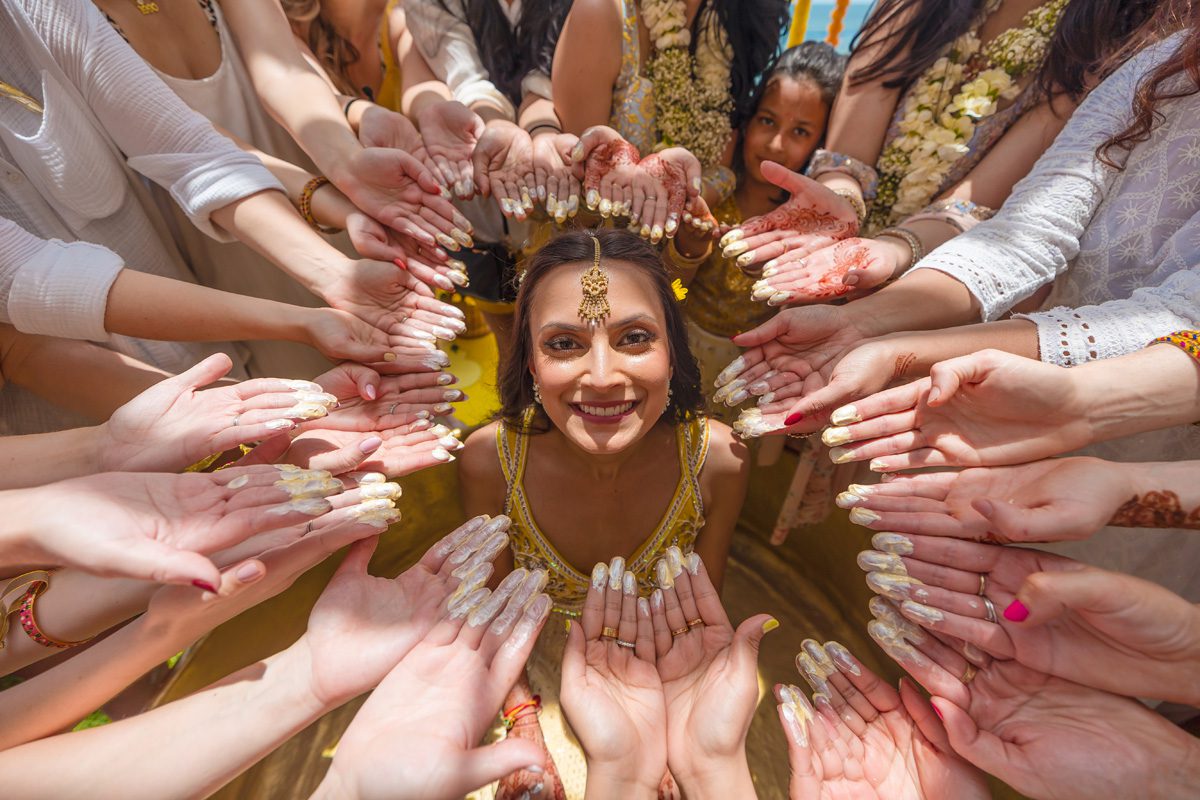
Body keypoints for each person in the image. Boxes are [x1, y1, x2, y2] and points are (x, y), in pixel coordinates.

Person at [459, 228, 749, 798]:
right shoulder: (491, 460)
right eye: (564, 344)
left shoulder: (718, 459)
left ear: (673, 352)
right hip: (532, 665)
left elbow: (701, 610)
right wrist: (519, 722)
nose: (601, 377)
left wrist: (665, 734)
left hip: (662, 674)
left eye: (635, 338)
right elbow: (489, 606)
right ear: (529, 364)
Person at [725, 0, 1166, 300]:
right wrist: (840, 193)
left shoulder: (1102, 40)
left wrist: (894, 252)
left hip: (938, 277)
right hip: (832, 253)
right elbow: (872, 84)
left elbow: (981, 196)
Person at [667, 42, 846, 414]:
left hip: (754, 374)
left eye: (800, 131)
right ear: (746, 121)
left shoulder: (811, 234)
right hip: (679, 350)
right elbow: (672, 290)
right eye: (767, 121)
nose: (776, 144)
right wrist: (688, 249)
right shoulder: (713, 195)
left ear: (822, 146)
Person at [552, 0, 790, 204]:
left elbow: (722, 170)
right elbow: (576, 172)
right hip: (592, 245)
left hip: (683, 246)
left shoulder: (738, 24)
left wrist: (682, 193)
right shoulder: (602, 12)